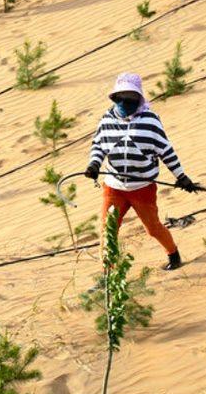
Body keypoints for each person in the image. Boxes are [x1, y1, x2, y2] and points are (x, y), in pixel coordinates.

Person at [83, 73, 197, 270]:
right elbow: (98, 146)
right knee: (107, 230)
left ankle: (173, 254)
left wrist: (182, 177)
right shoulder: (106, 120)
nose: (124, 102)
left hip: (142, 188)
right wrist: (94, 164)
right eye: (120, 98)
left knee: (152, 228)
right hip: (113, 187)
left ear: (139, 99)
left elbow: (166, 151)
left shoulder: (150, 121)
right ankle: (108, 274)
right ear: (114, 97)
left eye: (130, 98)